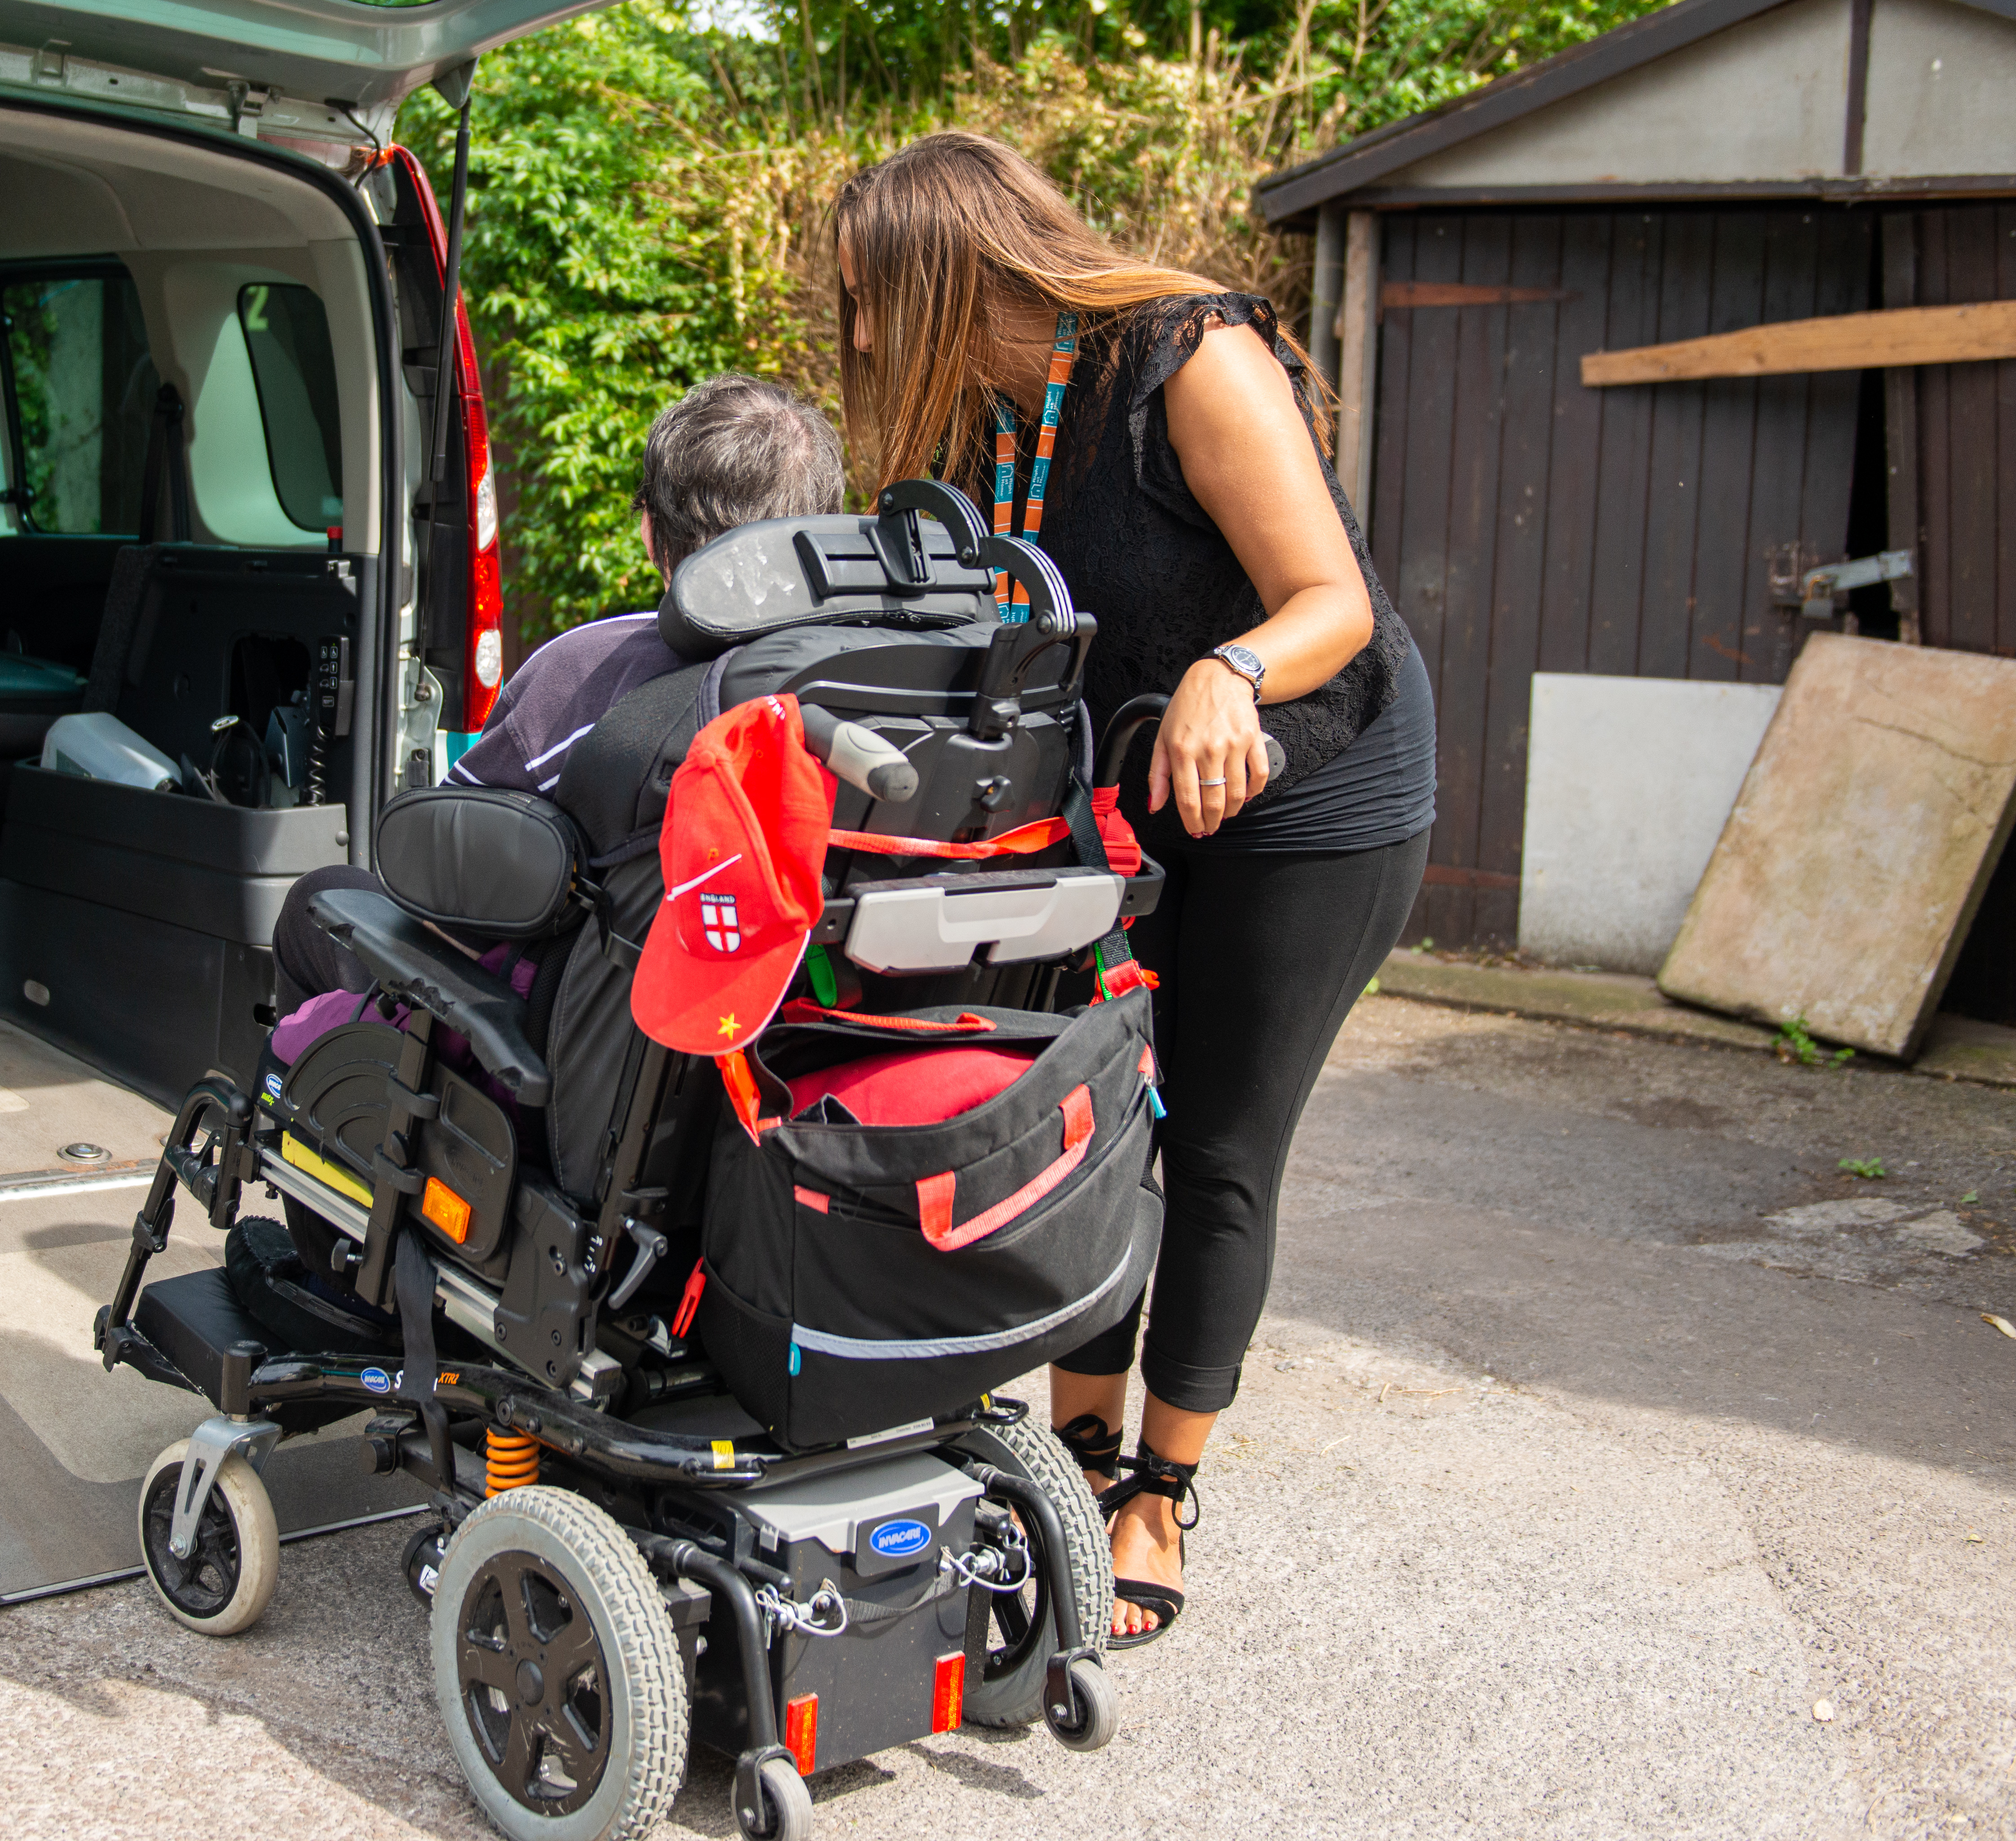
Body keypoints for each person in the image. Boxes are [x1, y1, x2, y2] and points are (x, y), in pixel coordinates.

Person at [832, 131, 1436, 1648]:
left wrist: (1229, 675)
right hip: (1132, 796)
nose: (850, 338)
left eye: (864, 299)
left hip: (1316, 778)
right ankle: (1074, 1461)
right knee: (1097, 1119)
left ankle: (1159, 1496)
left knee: (1220, 1139)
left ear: (944, 275)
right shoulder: (981, 426)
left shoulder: (1189, 357)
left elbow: (1332, 606)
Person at [269, 373, 847, 1014]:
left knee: (319, 899)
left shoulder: (586, 676)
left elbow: (436, 886)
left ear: (650, 531)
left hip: (544, 1045)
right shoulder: (870, 686)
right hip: (782, 1031)